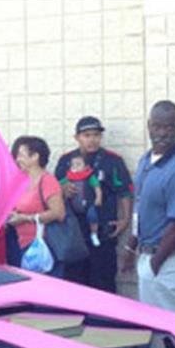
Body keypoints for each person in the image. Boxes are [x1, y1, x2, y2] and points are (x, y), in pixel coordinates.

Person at [121, 101, 175, 314]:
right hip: (148, 256)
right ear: (149, 126)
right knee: (151, 325)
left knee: (169, 327)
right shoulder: (146, 161)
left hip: (167, 261)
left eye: (169, 127)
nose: (162, 133)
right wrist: (131, 248)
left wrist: (154, 265)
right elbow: (140, 208)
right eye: (157, 126)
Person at [55, 116, 134, 293]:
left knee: (103, 284)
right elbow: (52, 192)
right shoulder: (65, 161)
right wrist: (63, 190)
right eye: (87, 135)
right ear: (77, 138)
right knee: (74, 287)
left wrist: (125, 219)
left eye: (96, 135)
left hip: (103, 233)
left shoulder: (112, 161)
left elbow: (125, 192)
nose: (92, 140)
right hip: (73, 234)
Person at [6, 136, 66, 275]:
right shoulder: (23, 182)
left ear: (35, 157)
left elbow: (58, 213)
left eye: (21, 155)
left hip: (45, 247)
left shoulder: (47, 181)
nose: (17, 160)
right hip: (24, 245)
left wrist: (25, 218)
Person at [63, 154, 103, 246]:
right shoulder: (69, 177)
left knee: (92, 217)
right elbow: (58, 185)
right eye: (73, 165)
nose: (75, 167)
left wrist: (99, 198)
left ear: (86, 167)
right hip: (73, 205)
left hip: (89, 204)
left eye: (78, 164)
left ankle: (94, 234)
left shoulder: (90, 177)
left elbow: (97, 187)